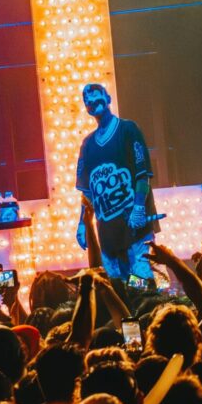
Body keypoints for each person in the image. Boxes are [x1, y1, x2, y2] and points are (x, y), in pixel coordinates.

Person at [75, 83, 160, 281]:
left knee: (140, 284)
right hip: (108, 236)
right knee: (116, 290)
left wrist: (139, 207)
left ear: (108, 99)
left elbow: (143, 174)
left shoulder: (128, 130)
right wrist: (82, 223)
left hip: (136, 231)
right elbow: (86, 191)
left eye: (97, 98)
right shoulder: (87, 145)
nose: (93, 103)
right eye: (88, 102)